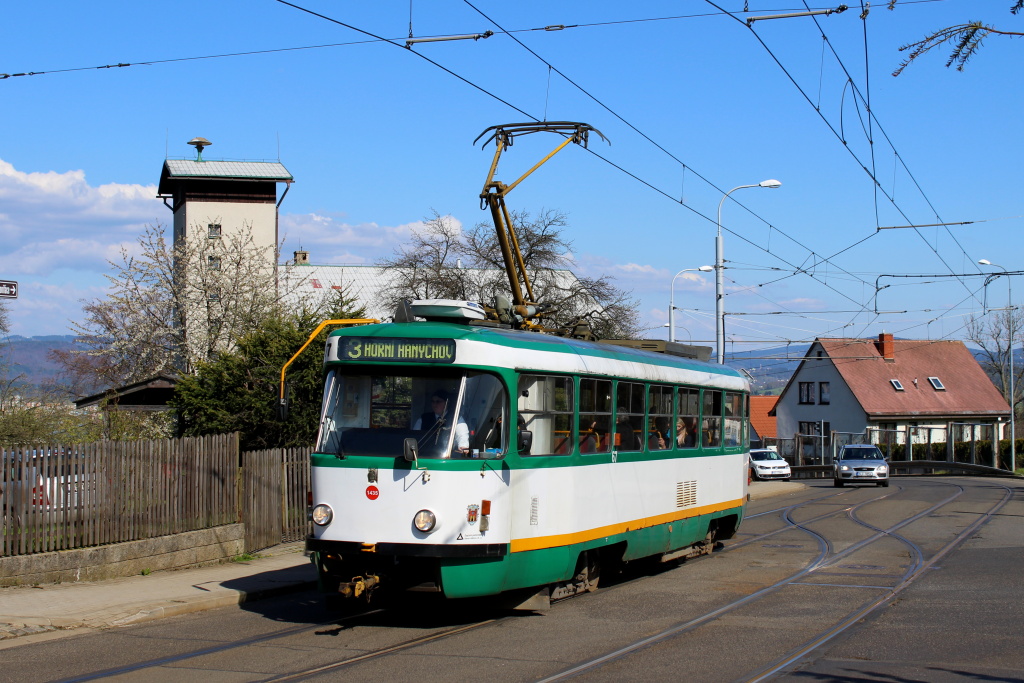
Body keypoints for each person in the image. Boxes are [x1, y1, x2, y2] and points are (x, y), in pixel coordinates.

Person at [414, 389, 469, 455]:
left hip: (447, 455)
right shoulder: (423, 418)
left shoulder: (456, 418)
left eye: (438, 402)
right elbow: (415, 436)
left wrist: (463, 446)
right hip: (425, 454)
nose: (435, 404)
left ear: (447, 403)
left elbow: (462, 435)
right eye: (433, 401)